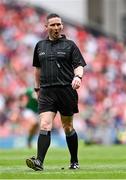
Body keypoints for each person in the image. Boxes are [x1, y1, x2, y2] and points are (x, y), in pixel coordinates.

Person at [26, 13, 86, 171]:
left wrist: (78, 77)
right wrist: (37, 88)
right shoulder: (39, 46)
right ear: (46, 27)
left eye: (58, 24)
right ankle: (39, 162)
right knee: (45, 124)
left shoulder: (70, 45)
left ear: (62, 26)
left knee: (67, 127)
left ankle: (74, 160)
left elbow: (79, 64)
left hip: (66, 90)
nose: (56, 27)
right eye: (52, 25)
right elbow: (37, 69)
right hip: (46, 92)